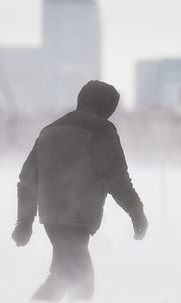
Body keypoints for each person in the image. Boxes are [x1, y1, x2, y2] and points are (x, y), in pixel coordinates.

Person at [12, 80, 148, 301]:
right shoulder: (102, 129)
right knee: (79, 281)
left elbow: (27, 179)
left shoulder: (49, 130)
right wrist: (136, 212)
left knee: (65, 277)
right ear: (107, 106)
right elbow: (116, 177)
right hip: (77, 216)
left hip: (53, 217)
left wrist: (24, 223)